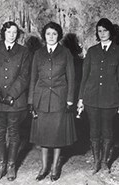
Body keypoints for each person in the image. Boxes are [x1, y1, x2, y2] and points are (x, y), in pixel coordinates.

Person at [28, 21, 76, 182]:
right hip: (41, 99)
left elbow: (71, 77)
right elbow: (33, 78)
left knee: (57, 135)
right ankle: (44, 167)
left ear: (59, 36)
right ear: (44, 36)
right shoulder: (38, 53)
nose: (51, 37)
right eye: (48, 34)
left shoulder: (66, 53)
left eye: (54, 34)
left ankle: (55, 167)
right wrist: (31, 101)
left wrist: (70, 99)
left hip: (59, 99)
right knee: (43, 136)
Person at [77, 18, 119, 174]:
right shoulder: (92, 51)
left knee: (108, 131)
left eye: (105, 30)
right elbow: (85, 77)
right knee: (94, 131)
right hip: (92, 98)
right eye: (100, 31)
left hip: (110, 99)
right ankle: (96, 161)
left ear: (111, 32)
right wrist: (81, 99)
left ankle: (105, 161)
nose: (102, 34)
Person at [0, 21, 31, 181]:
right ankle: (0, 166)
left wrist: (12, 94)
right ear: (3, 33)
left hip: (15, 102)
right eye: (9, 32)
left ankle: (11, 166)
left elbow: (24, 76)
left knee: (13, 132)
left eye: (14, 32)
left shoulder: (24, 52)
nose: (12, 35)